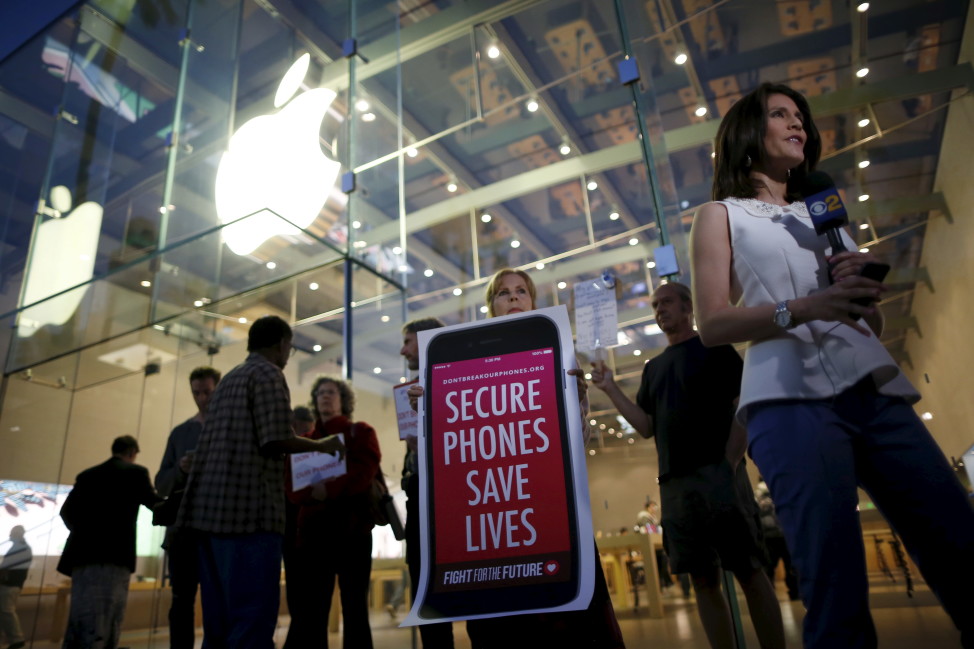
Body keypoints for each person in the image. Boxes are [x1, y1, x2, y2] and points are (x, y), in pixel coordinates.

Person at [690, 81, 974, 649]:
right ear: (749, 132)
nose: (798, 123)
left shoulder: (825, 214)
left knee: (959, 543)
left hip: (873, 390)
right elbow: (712, 323)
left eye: (801, 116)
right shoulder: (719, 215)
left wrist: (860, 287)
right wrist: (803, 308)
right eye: (780, 114)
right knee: (834, 583)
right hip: (787, 401)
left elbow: (872, 326)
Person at [409, 268, 625, 649]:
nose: (512, 298)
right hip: (494, 524)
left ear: (533, 301)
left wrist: (574, 399)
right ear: (490, 307)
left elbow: (577, 443)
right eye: (502, 293)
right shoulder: (462, 366)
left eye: (521, 291)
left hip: (551, 514)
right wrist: (429, 408)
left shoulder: (559, 357)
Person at [591, 282, 784, 649]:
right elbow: (646, 426)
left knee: (749, 571)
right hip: (677, 487)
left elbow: (746, 400)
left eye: (666, 302)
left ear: (687, 308)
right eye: (654, 304)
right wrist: (611, 389)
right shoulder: (654, 368)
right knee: (702, 580)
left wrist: (730, 458)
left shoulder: (717, 350)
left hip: (720, 477)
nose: (659, 309)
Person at [175, 315, 345, 649]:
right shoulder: (268, 373)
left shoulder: (229, 380)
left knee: (218, 625)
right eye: (290, 348)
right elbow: (275, 440)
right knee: (251, 620)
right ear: (282, 343)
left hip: (210, 519)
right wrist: (321, 446)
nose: (288, 354)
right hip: (249, 517)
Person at [286, 376, 380, 649]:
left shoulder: (360, 432)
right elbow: (291, 487)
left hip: (353, 532)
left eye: (332, 392)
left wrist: (329, 490)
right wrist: (313, 493)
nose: (325, 396)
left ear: (344, 400)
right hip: (314, 537)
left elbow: (364, 472)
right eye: (321, 393)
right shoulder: (303, 441)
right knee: (313, 612)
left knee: (355, 610)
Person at [58, 435, 162, 649]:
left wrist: (85, 534)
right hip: (114, 557)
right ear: (132, 452)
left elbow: (66, 512)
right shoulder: (135, 473)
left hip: (81, 557)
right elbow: (156, 506)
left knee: (80, 619)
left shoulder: (88, 475)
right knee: (105, 621)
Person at [399, 317, 455, 648]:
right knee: (426, 599)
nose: (403, 349)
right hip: (417, 501)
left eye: (408, 341)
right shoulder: (410, 392)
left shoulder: (458, 384)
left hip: (444, 507)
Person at [156, 366, 221, 649]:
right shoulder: (181, 432)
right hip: (183, 531)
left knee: (216, 599)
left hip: (216, 527)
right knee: (181, 600)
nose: (202, 398)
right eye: (197, 392)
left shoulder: (227, 429)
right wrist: (181, 469)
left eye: (207, 392)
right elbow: (161, 483)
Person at [282, 406, 315, 649]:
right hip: (296, 535)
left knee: (301, 597)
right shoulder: (296, 455)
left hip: (301, 534)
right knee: (301, 597)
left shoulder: (300, 454)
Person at [754, 479, 799, 601]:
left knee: (768, 566)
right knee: (790, 565)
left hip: (768, 537)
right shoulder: (779, 489)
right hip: (784, 534)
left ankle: (768, 594)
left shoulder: (757, 495)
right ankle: (794, 592)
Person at [0, 525, 31, 649]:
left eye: (12, 533)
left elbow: (9, 567)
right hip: (10, 584)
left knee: (6, 611)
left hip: (10, 585)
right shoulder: (21, 547)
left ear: (18, 534)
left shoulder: (20, 548)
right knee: (4, 612)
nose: (10, 535)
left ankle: (17, 639)